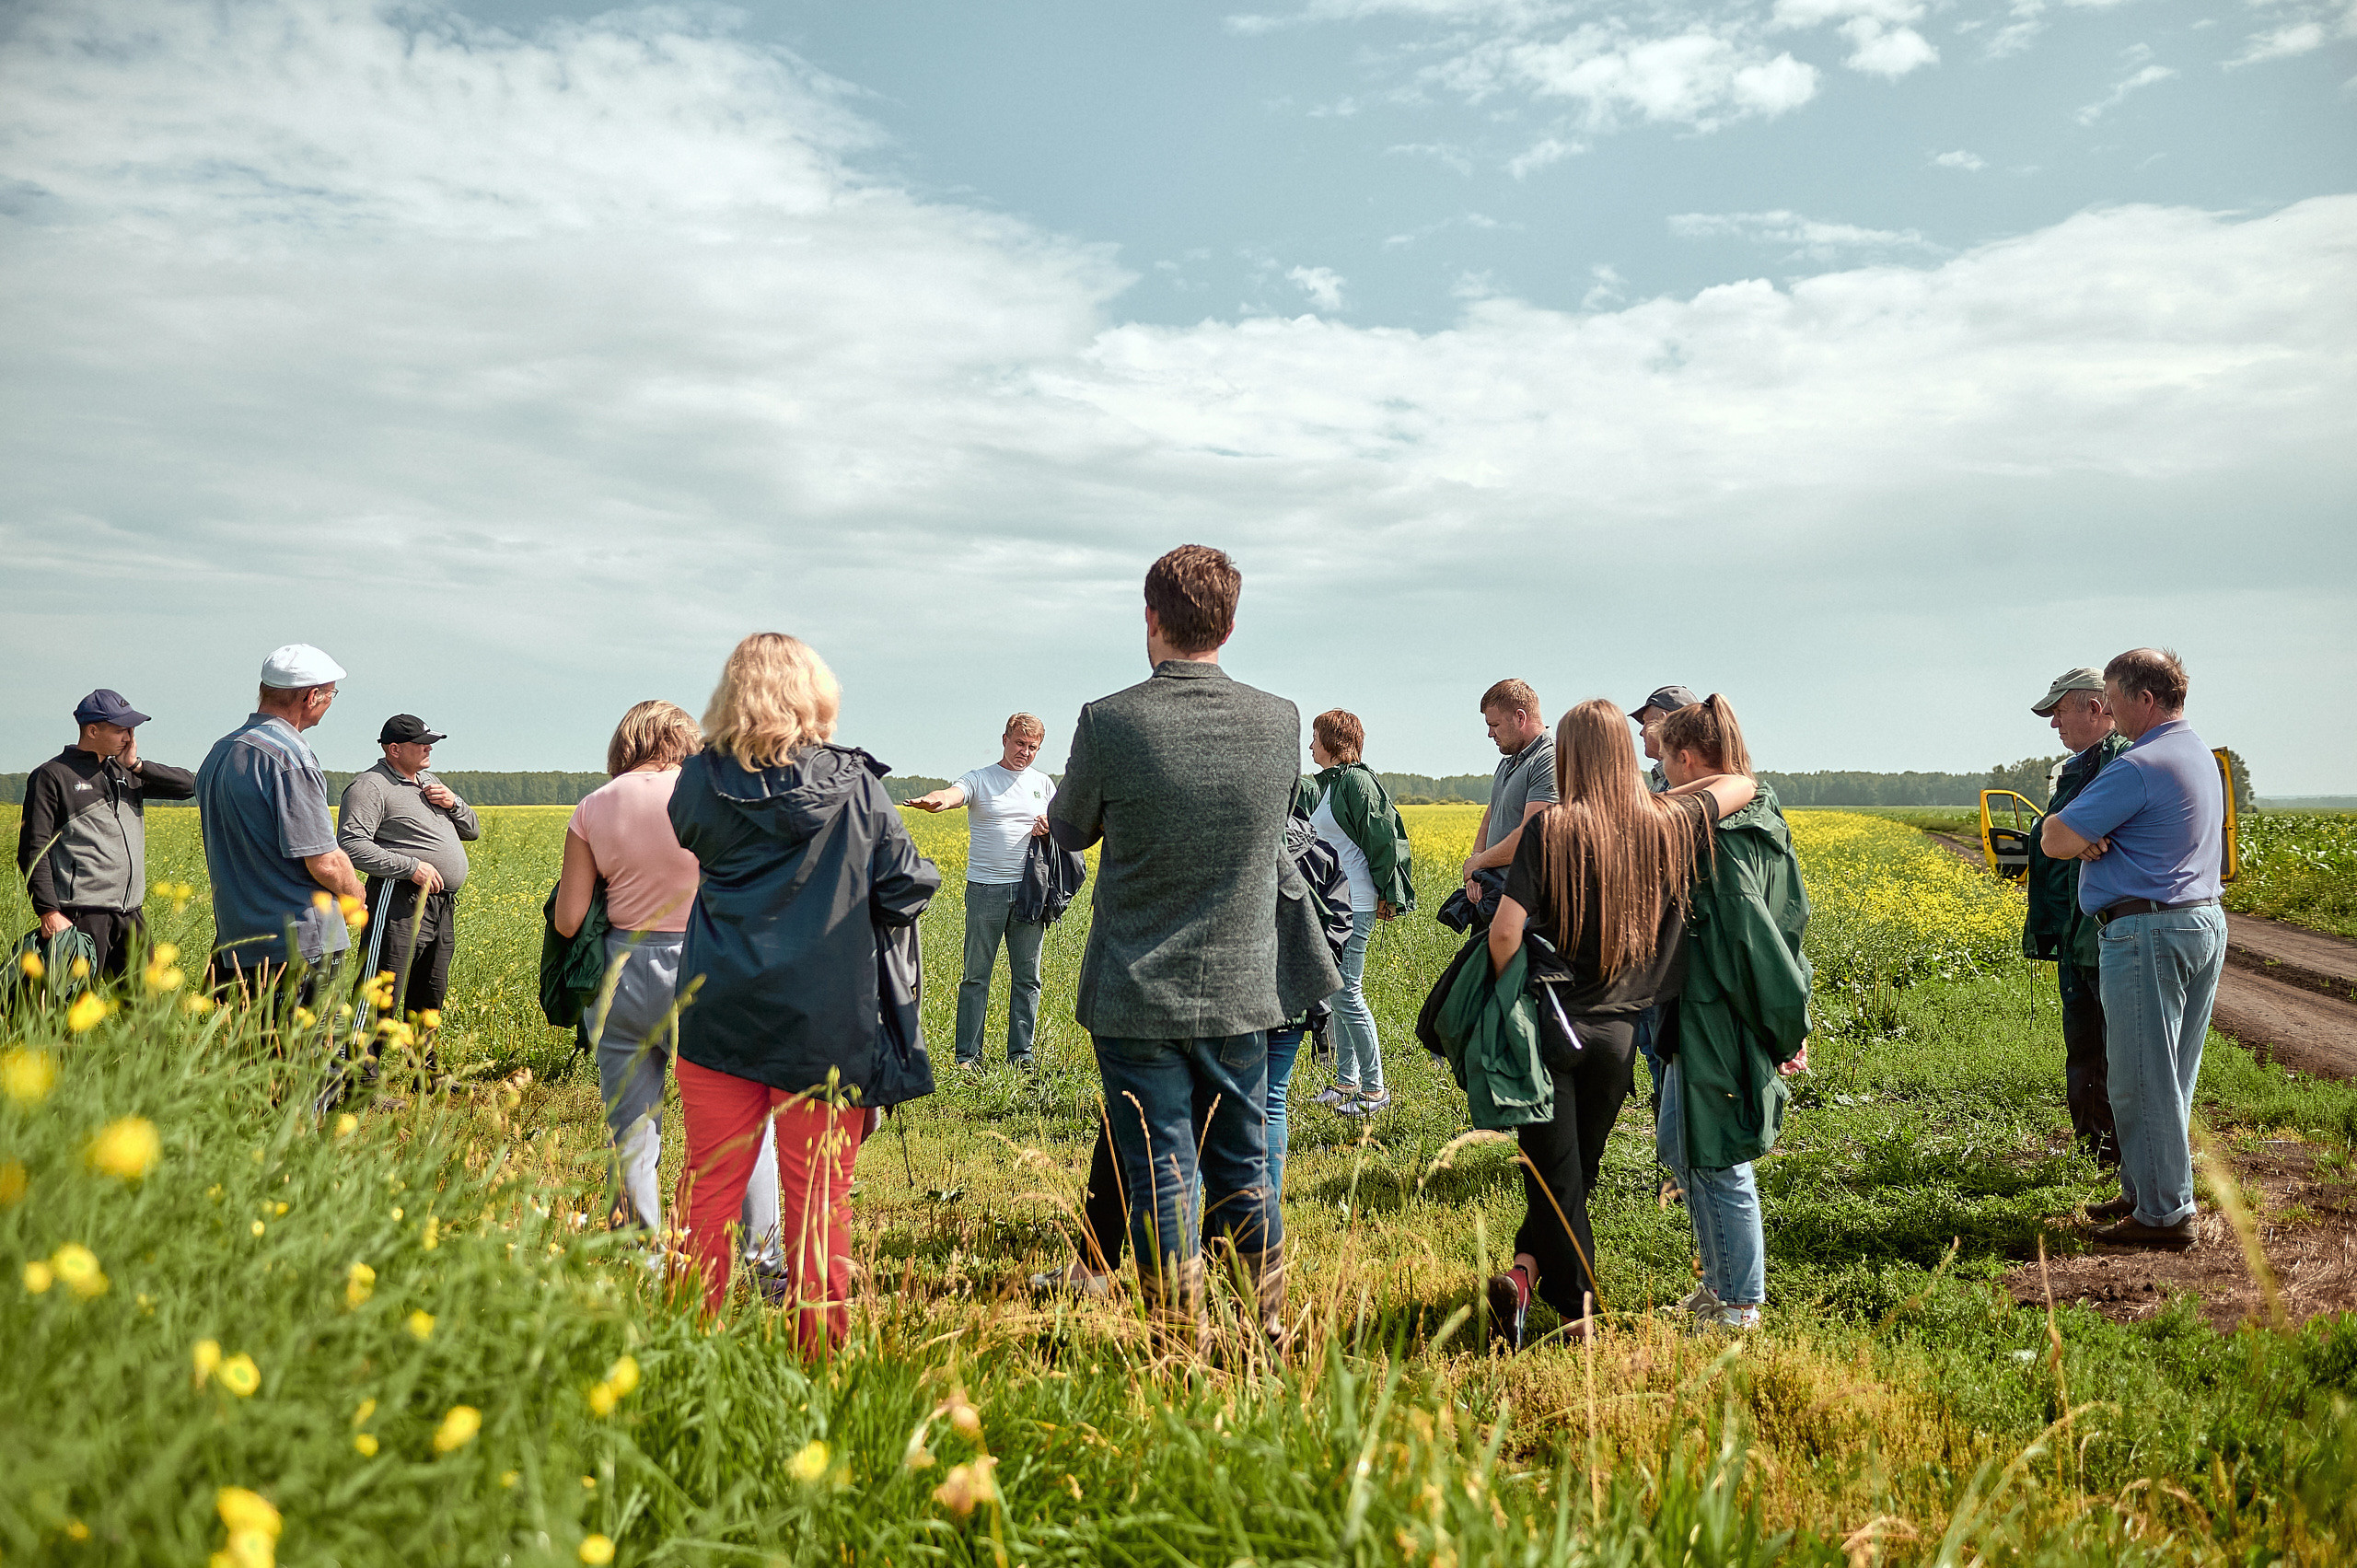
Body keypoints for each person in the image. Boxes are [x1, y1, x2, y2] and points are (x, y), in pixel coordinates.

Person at [1047, 544, 1307, 1345]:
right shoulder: (1280, 719)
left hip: (1135, 987)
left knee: (1161, 1168)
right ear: (1229, 623)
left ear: (1151, 618)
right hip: (1241, 984)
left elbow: (1068, 828)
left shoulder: (1109, 719)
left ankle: (1177, 1330)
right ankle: (1267, 1323)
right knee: (1242, 1165)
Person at [667, 634, 941, 1347]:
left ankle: (685, 1350)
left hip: (717, 1009)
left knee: (709, 1194)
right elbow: (908, 883)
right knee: (821, 1203)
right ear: (814, 694)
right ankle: (816, 1359)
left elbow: (691, 835)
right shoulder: (855, 784)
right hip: (825, 1021)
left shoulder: (698, 778)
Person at [1480, 698, 1756, 1349]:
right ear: (1628, 755)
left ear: (1570, 756)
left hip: (1552, 1029)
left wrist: (1506, 990)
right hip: (1622, 1038)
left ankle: (1579, 1318)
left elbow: (1504, 932)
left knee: (1559, 1178)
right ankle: (1523, 1275)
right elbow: (1742, 783)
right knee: (1569, 1175)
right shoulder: (1665, 821)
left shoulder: (1553, 831)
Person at [554, 700, 784, 1285]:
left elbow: (569, 919)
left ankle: (645, 1258)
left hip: (622, 974)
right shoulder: (714, 799)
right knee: (744, 1121)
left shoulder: (592, 807)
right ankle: (760, 1259)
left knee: (632, 1125)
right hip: (705, 965)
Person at [2040, 647, 2225, 1252]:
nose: (2111, 716)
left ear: (2144, 698)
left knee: (2139, 1080)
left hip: (2147, 933)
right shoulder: (2197, 753)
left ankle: (2168, 1212)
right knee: (2167, 1074)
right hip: (2199, 921)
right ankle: (2145, 1192)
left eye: (2115, 702)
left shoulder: (2139, 764)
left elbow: (2055, 835)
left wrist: (2085, 836)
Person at [1652, 696, 1812, 1333]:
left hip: (1719, 1014)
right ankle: (1717, 1285)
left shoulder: (1725, 837)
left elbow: (1754, 943)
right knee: (1681, 1143)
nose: (1661, 773)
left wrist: (1783, 1023)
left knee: (1719, 1158)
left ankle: (1740, 1303)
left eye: (1664, 759)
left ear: (1688, 758)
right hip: (1704, 1014)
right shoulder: (1761, 813)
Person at [196, 645, 364, 1001]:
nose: (331, 702)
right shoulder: (290, 756)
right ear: (311, 696)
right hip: (299, 940)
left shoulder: (220, 751)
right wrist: (355, 897)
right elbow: (324, 860)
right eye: (331, 694)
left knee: (254, 1053)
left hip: (238, 939)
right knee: (310, 1053)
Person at [906, 715, 1057, 1071]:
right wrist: (936, 800)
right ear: (1005, 739)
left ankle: (1022, 1057)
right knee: (976, 975)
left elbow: (1063, 826)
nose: (1025, 752)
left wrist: (1051, 828)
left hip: (1029, 893)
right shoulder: (981, 778)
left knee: (1028, 978)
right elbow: (954, 795)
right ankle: (967, 1058)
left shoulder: (1043, 784)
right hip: (985, 890)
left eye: (1033, 747)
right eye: (1020, 744)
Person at [2023, 668, 2130, 1166]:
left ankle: (2117, 1153)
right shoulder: (2076, 769)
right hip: (2077, 932)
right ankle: (2094, 1149)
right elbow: (2056, 840)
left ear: (2094, 708)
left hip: (2106, 930)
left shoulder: (2125, 763)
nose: (2053, 724)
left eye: (2059, 711)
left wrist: (2070, 833)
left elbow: (2103, 835)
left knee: (2113, 1050)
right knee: (2085, 1043)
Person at [339, 714, 479, 1083]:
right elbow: (351, 845)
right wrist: (410, 867)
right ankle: (359, 1079)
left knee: (430, 990)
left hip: (441, 904)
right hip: (398, 897)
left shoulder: (429, 782)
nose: (429, 747)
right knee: (382, 989)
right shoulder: (370, 786)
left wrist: (454, 803)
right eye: (421, 743)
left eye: (429, 741)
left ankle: (427, 1073)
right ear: (394, 749)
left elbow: (472, 830)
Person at [17, 689, 194, 979]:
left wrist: (136, 765)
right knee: (70, 1011)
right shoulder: (53, 775)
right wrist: (48, 911)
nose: (128, 737)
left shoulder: (126, 772)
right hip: (80, 916)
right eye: (120, 729)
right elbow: (33, 850)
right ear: (92, 730)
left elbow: (189, 786)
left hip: (131, 916)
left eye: (130, 730)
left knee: (144, 1016)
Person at [1303, 709, 1414, 1117]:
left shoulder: (1357, 782)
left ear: (1333, 741)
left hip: (1358, 903)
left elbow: (1385, 838)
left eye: (1314, 737)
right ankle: (1347, 1082)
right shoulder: (1332, 784)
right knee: (1339, 992)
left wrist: (1391, 892)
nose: (1310, 745)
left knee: (1348, 993)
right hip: (1339, 904)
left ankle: (1375, 1092)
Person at [1460, 680, 1554, 920]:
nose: (1490, 733)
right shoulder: (1508, 760)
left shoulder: (1548, 759)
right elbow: (1493, 812)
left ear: (1520, 717)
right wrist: (1475, 866)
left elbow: (1530, 837)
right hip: (1495, 894)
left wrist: (1479, 863)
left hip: (1527, 905)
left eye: (1495, 724)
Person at [1629, 685, 1700, 796]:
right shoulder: (1668, 776)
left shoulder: (1682, 778)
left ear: (1664, 721)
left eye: (1645, 722)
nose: (1641, 733)